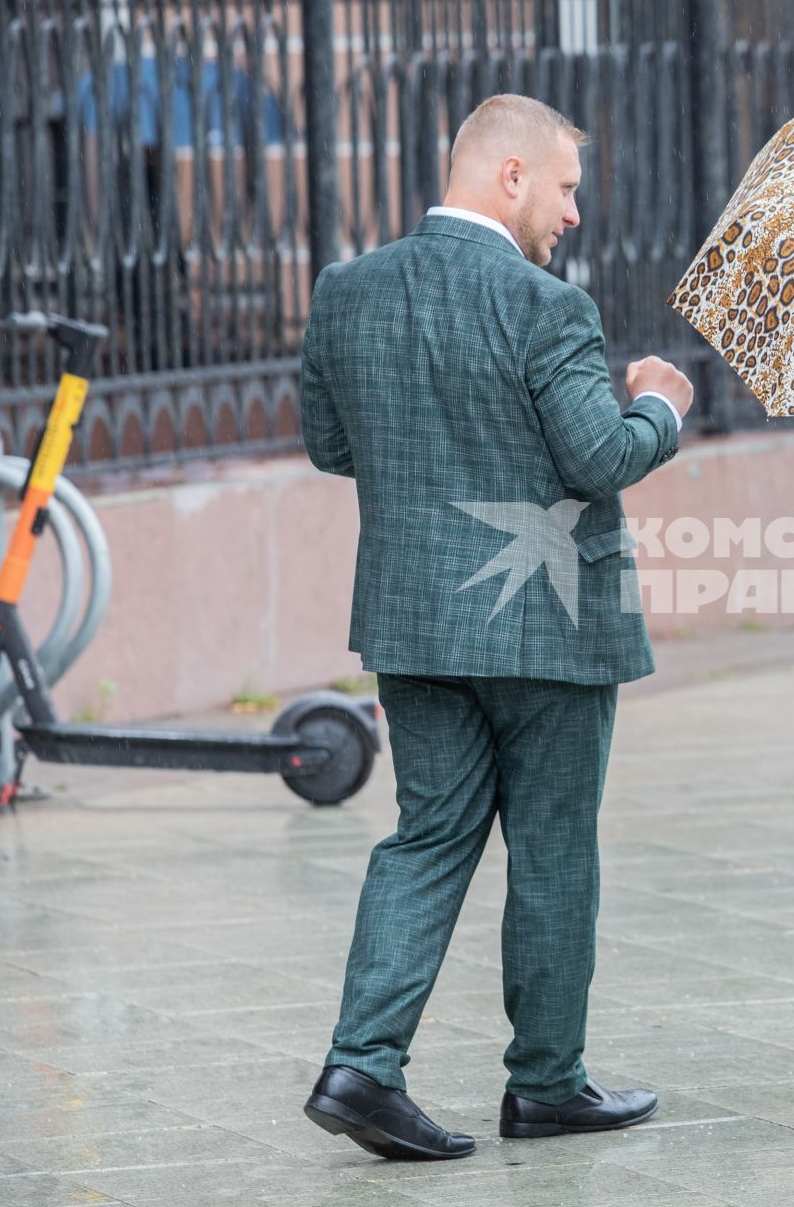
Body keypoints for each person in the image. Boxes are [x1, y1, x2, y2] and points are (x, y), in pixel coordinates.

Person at [296, 94, 694, 1160]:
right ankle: (549, 1083)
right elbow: (598, 459)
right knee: (554, 848)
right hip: (550, 623)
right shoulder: (546, 307)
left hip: (415, 616)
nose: (573, 212)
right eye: (565, 187)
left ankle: (360, 1066)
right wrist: (659, 403)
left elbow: (333, 445)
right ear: (509, 174)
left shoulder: (347, 289)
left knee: (427, 835)